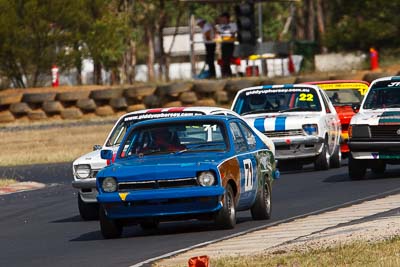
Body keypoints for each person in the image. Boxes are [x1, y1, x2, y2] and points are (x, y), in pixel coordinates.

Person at [216, 12, 237, 77]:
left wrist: (228, 36)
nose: (223, 20)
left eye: (224, 18)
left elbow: (233, 33)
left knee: (227, 59)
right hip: (223, 44)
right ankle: (226, 74)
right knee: (224, 59)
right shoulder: (220, 26)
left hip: (230, 43)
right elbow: (218, 33)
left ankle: (228, 74)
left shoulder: (233, 25)